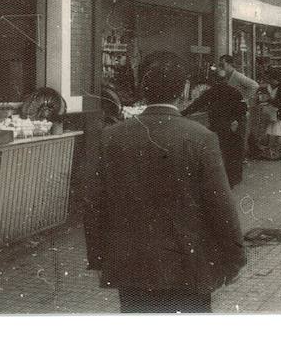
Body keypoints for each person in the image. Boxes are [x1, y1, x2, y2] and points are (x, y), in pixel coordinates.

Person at [85, 51, 246, 313]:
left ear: (144, 91)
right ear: (183, 90)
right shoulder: (201, 138)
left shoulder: (111, 136)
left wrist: (99, 258)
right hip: (187, 262)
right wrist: (234, 259)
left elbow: (94, 203)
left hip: (131, 263)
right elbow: (220, 205)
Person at [181, 66, 248, 186]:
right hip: (231, 126)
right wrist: (236, 120)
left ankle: (222, 181)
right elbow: (243, 109)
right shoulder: (235, 91)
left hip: (217, 126)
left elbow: (196, 105)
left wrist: (181, 114)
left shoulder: (211, 92)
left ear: (214, 80)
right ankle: (233, 179)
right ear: (226, 79)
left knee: (220, 153)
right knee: (232, 153)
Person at [219, 54, 259, 157]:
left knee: (241, 134)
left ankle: (241, 157)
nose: (221, 67)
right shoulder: (226, 77)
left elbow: (254, 85)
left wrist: (244, 98)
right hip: (231, 110)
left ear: (229, 64)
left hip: (239, 110)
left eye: (222, 65)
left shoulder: (237, 76)